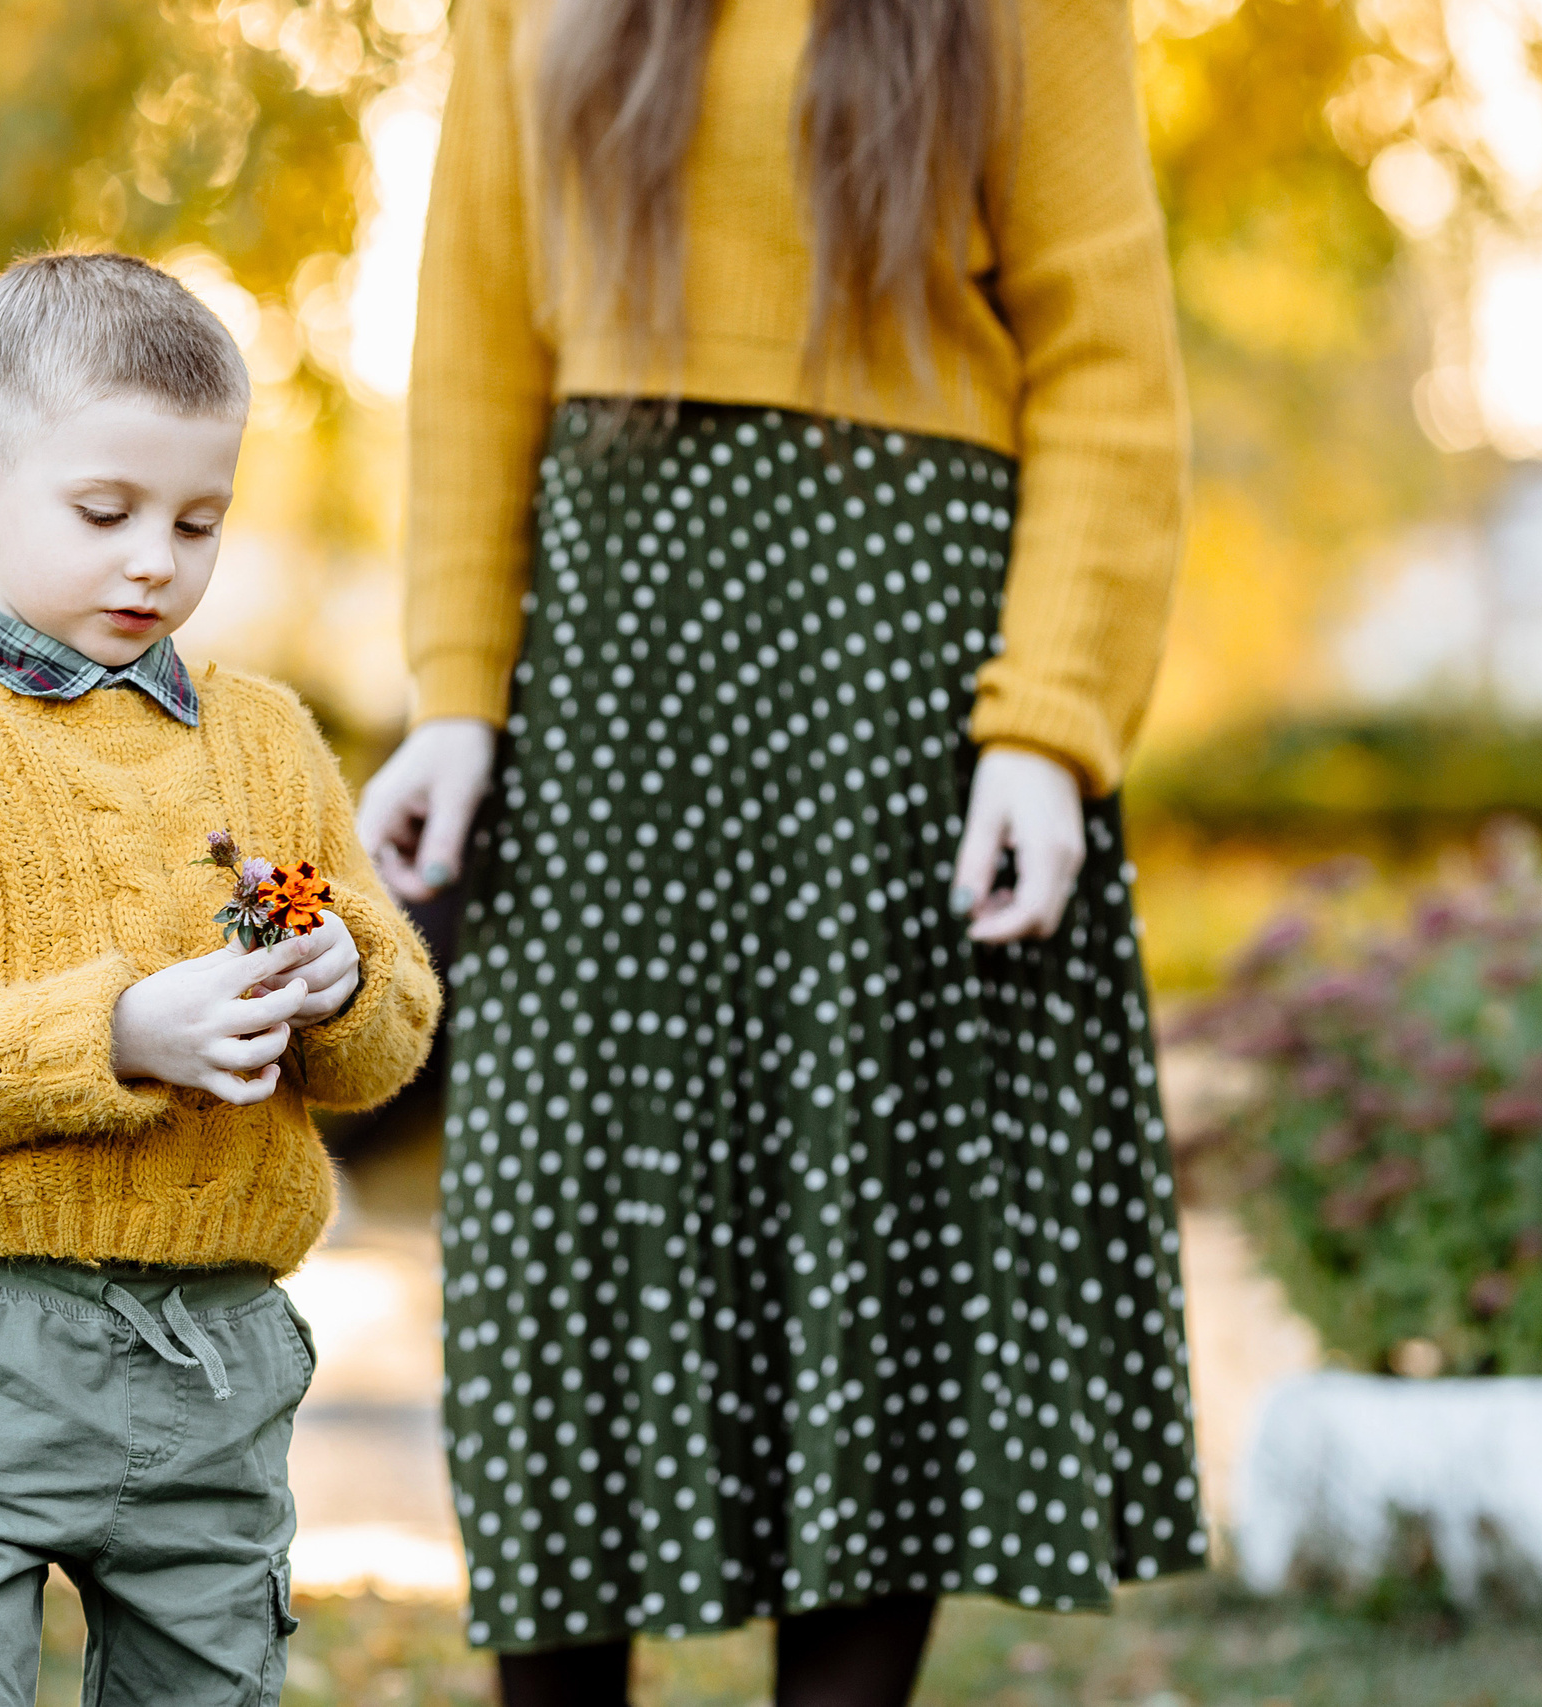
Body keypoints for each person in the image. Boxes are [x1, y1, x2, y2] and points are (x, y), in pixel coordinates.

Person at [357, 0, 1207, 1700]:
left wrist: (1046, 723)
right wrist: (457, 692)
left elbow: (1108, 359)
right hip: (608, 667)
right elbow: (473, 336)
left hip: (902, 676)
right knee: (559, 1241)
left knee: (867, 1231)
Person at [0, 250, 441, 1707]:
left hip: (220, 1364)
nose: (154, 561)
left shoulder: (265, 744)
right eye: (106, 512)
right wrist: (119, 1031)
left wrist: (341, 980)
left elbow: (384, 1030)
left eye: (198, 523)